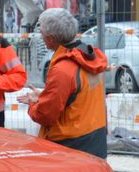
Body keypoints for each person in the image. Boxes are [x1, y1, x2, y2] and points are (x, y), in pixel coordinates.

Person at [16, 8, 107, 158]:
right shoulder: (91, 58)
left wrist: (34, 103)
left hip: (70, 147)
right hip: (96, 141)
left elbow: (45, 115)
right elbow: (79, 97)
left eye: (42, 34)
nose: (41, 37)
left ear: (50, 38)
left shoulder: (62, 69)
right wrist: (46, 95)